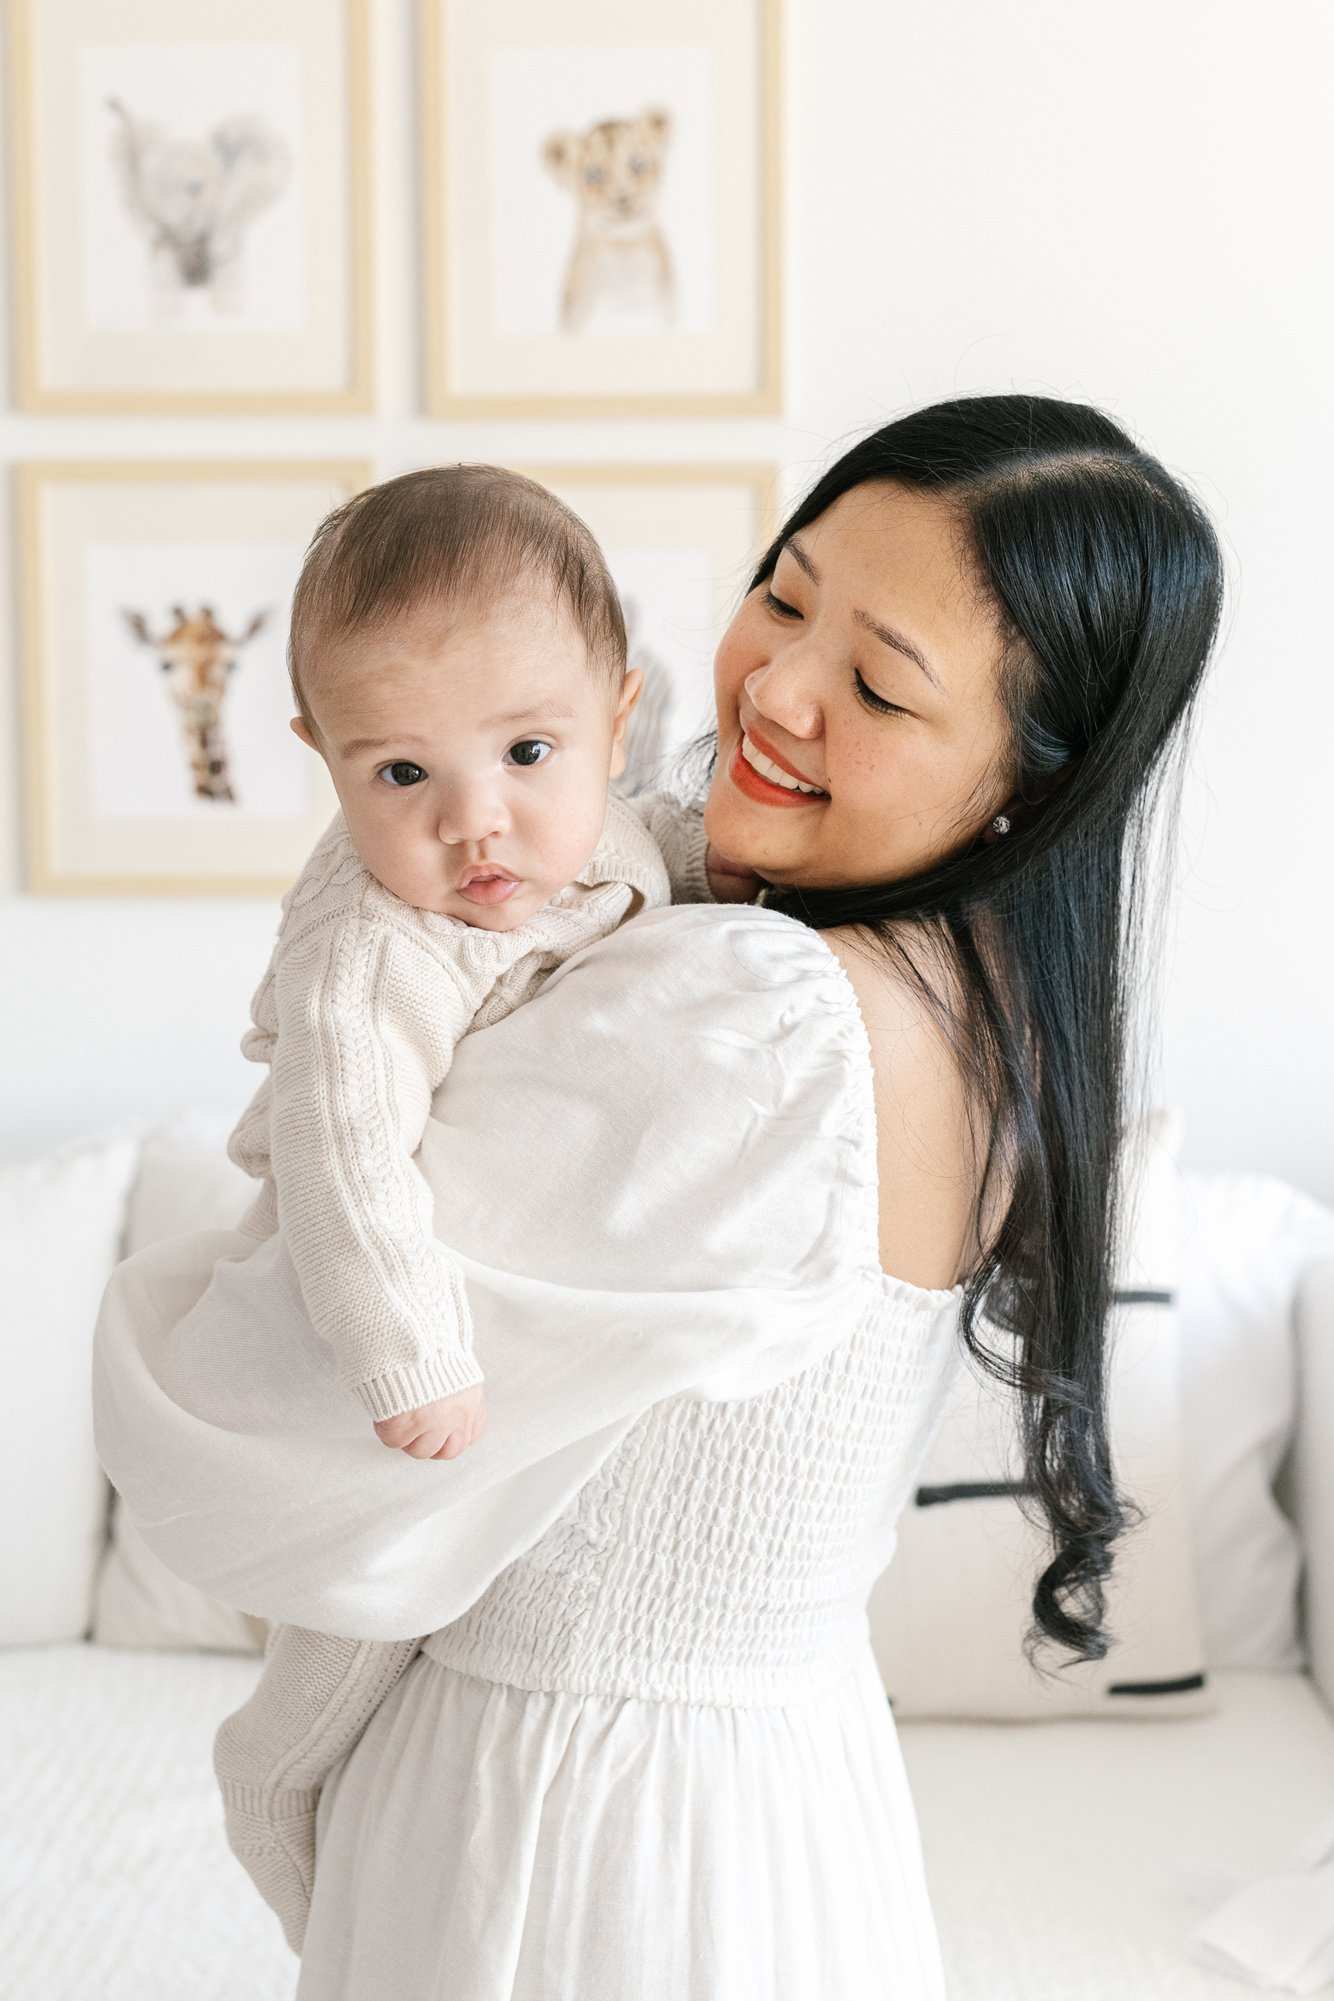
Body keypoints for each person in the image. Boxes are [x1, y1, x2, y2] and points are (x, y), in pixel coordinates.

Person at [92, 395, 1224, 2000]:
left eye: (879, 683)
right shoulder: (988, 1007)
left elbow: (264, 1414)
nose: (775, 688)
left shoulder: (760, 1017)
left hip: (567, 1828)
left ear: (1026, 783)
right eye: (783, 592)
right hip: (775, 1795)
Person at [224, 463, 722, 1463]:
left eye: (526, 753)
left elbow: (671, 860)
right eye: (401, 774)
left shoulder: (606, 833)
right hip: (349, 1311)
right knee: (363, 1574)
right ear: (326, 759)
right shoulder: (368, 953)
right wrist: (408, 1360)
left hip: (540, 1280)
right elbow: (342, 1155)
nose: (471, 821)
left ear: (616, 725)